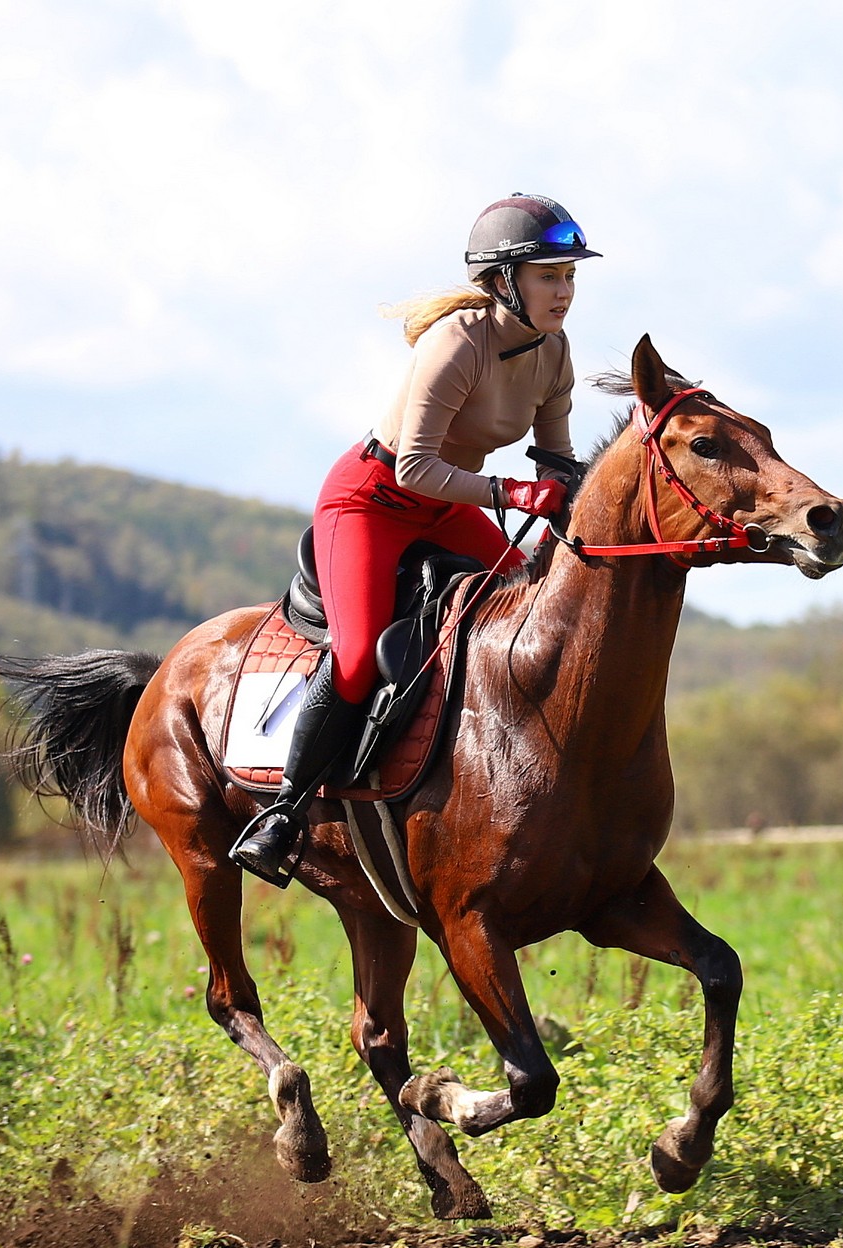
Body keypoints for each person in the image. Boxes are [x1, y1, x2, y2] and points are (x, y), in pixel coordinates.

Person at [231, 194, 596, 885]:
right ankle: (281, 814)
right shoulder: (456, 342)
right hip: (371, 500)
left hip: (444, 506)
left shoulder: (555, 353)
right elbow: (415, 466)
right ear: (504, 281)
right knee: (359, 659)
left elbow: (555, 461)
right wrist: (510, 493)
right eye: (550, 276)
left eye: (571, 276)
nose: (565, 292)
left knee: (530, 605)